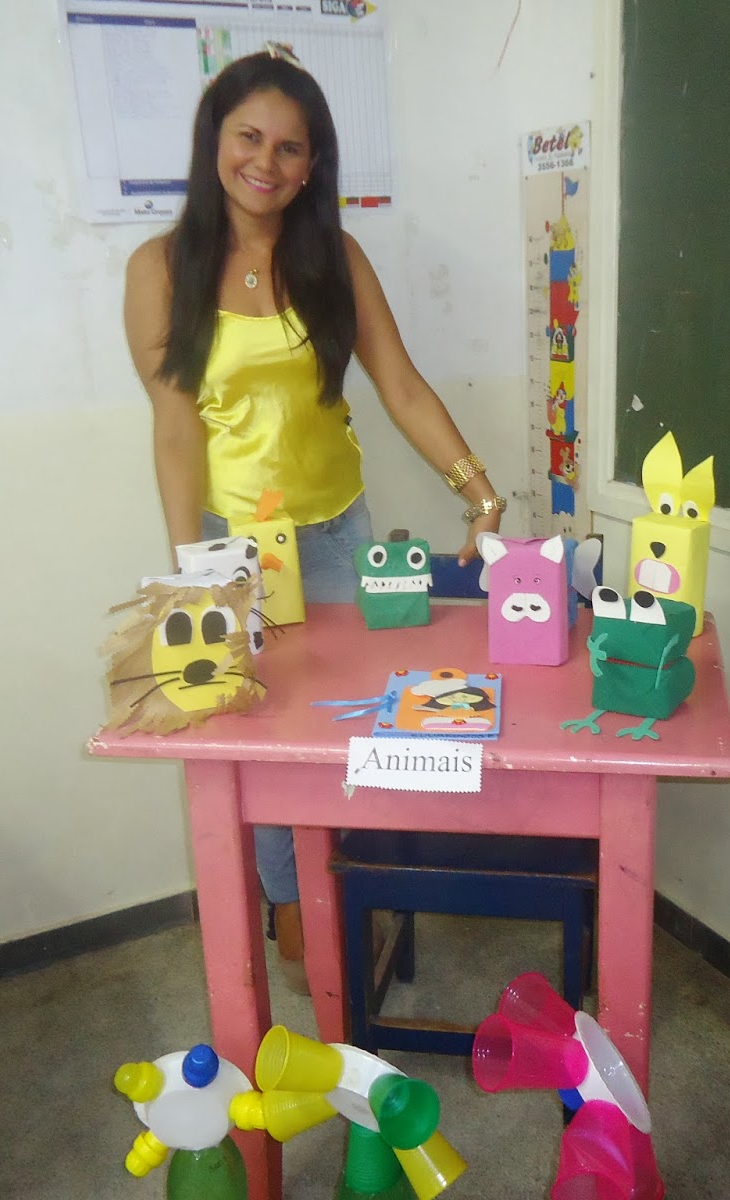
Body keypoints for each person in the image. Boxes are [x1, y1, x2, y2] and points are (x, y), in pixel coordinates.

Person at [122, 49, 506, 992]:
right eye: (249, 136)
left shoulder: (335, 257)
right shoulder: (160, 268)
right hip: (233, 549)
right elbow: (175, 427)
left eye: (290, 147)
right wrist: (195, 571)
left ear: (312, 164)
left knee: (354, 728)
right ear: (214, 139)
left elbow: (401, 385)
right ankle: (295, 915)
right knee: (262, 743)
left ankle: (356, 894)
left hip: (337, 536)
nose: (266, 161)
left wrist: (480, 494)